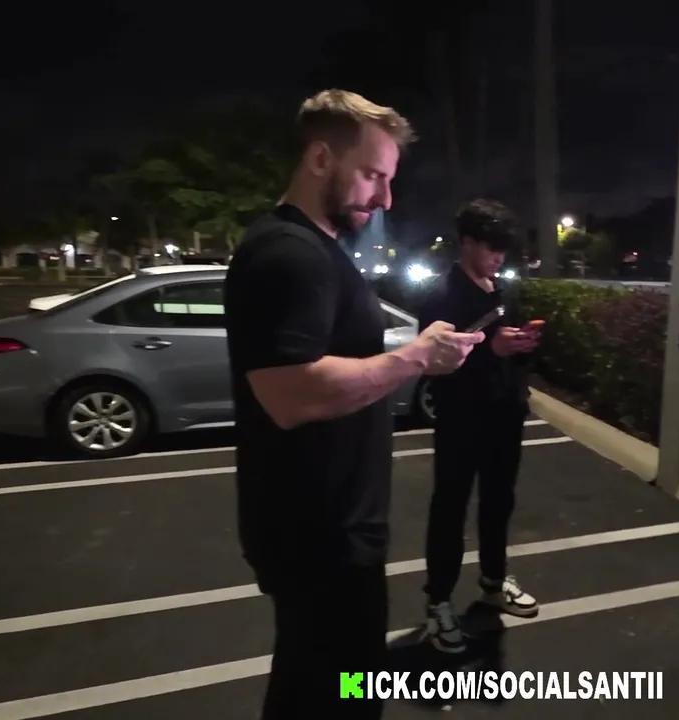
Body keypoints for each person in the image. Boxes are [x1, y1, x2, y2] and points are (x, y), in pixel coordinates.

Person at [223, 89, 485, 720]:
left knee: (310, 689)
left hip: (325, 528)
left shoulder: (311, 249)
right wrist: (414, 358)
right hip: (320, 536)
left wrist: (415, 350)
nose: (385, 198)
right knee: (340, 695)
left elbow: (325, 359)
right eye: (373, 176)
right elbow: (291, 392)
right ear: (320, 159)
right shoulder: (289, 255)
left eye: (389, 180)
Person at [417, 199, 541, 654]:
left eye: (504, 250)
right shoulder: (441, 295)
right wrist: (492, 350)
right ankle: (439, 600)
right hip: (461, 417)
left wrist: (522, 346)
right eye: (491, 248)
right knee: (450, 506)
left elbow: (509, 351)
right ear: (466, 242)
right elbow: (435, 363)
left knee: (498, 501)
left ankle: (493, 580)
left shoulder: (502, 290)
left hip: (505, 414)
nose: (499, 258)